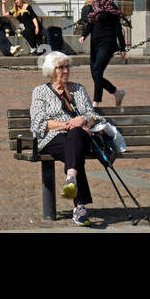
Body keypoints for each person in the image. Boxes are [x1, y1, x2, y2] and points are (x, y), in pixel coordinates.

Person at [30, 51, 103, 226]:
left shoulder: (78, 88)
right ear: (51, 70)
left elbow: (93, 115)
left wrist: (84, 119)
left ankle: (71, 179)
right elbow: (39, 122)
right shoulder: (40, 91)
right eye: (60, 67)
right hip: (53, 138)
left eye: (67, 67)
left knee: (76, 136)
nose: (65, 71)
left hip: (79, 136)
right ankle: (79, 205)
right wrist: (66, 125)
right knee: (74, 149)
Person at [78, 0, 126, 107]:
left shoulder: (111, 6)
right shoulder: (95, 6)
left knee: (97, 72)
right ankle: (116, 93)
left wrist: (122, 47)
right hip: (95, 43)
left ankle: (96, 103)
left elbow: (117, 28)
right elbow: (91, 24)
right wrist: (84, 35)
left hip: (108, 42)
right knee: (95, 73)